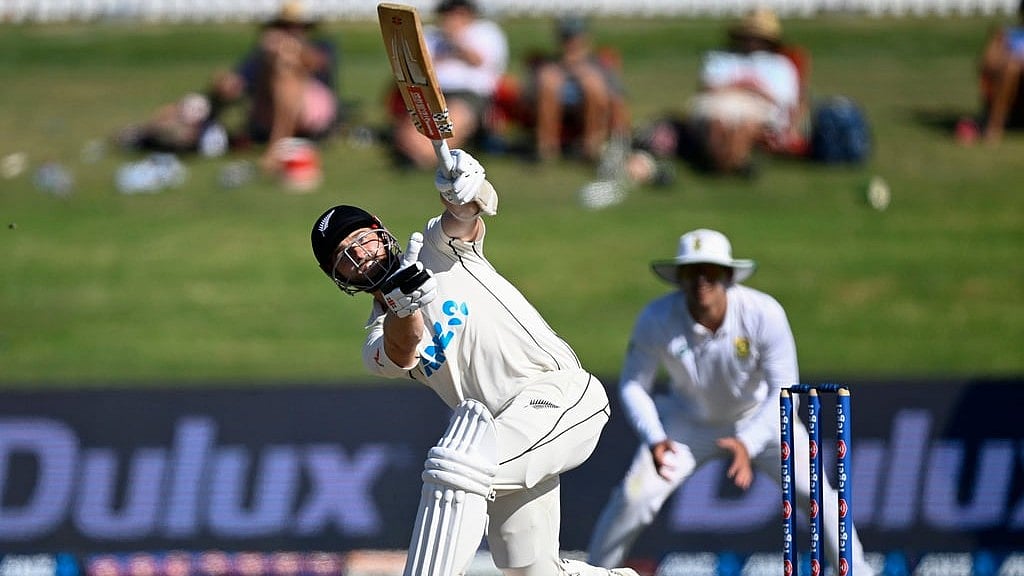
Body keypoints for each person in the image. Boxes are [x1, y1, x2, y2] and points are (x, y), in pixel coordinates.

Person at [309, 148, 637, 576]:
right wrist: (403, 307)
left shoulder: (433, 247)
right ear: (341, 280)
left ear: (381, 232)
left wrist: (464, 186)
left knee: (456, 465)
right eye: (343, 256)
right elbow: (402, 352)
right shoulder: (378, 335)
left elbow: (469, 213)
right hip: (499, 430)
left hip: (556, 394)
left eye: (361, 239)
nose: (359, 254)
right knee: (529, 571)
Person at [586, 229, 875, 576]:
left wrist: (747, 442)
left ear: (727, 275)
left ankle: (856, 572)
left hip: (760, 421)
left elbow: (785, 391)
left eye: (711, 271)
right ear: (679, 277)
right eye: (692, 272)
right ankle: (593, 571)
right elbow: (634, 385)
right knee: (633, 499)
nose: (702, 281)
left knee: (819, 494)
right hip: (686, 424)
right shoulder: (656, 318)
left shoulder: (763, 313)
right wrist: (655, 437)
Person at [117, 0, 340, 173]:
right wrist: (226, 83)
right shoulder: (265, 54)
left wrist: (289, 51)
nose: (291, 30)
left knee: (285, 69)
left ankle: (276, 145)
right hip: (267, 112)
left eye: (295, 26)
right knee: (223, 85)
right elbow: (238, 82)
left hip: (312, 112)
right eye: (284, 26)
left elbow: (316, 62)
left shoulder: (321, 45)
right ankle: (175, 128)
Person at [678, 8, 804, 175]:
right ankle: (728, 164)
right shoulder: (720, 58)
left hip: (760, 108)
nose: (752, 41)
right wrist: (744, 87)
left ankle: (726, 164)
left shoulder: (780, 65)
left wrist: (746, 88)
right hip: (720, 103)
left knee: (745, 126)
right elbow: (709, 87)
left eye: (757, 37)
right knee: (718, 123)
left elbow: (783, 99)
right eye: (749, 36)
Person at [388, 0, 508, 169]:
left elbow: (481, 61)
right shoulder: (431, 36)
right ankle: (419, 155)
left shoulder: (485, 32)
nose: (451, 18)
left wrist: (455, 40)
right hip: (432, 91)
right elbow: (416, 67)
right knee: (409, 134)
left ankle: (427, 157)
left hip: (469, 94)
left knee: (447, 128)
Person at [525, 17, 631, 163]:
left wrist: (621, 132)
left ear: (585, 39)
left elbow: (616, 98)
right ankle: (546, 149)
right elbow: (528, 97)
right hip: (557, 117)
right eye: (566, 38)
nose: (571, 43)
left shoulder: (599, 64)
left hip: (591, 118)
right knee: (549, 82)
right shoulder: (548, 66)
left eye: (574, 37)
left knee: (592, 84)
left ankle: (591, 148)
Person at [974, 0, 1024, 144]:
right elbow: (987, 63)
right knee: (1011, 67)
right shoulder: (1006, 35)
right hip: (1013, 94)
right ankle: (994, 126)